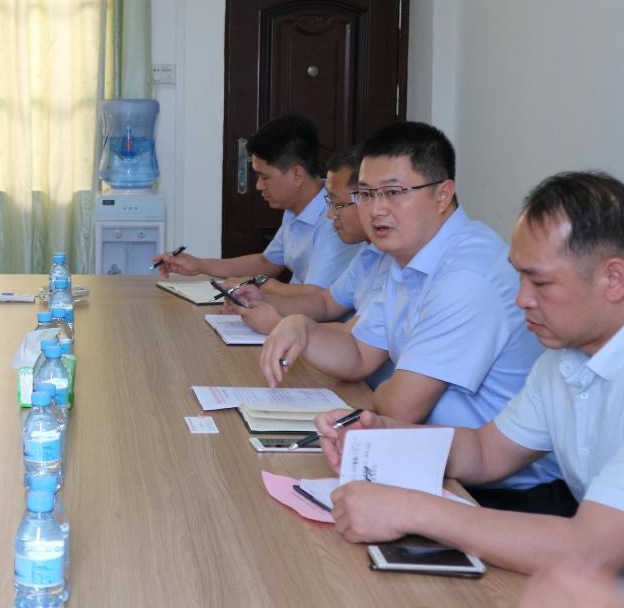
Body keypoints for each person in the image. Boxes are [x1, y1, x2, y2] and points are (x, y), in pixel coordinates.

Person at [314, 172, 624, 598]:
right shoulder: (564, 358)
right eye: (519, 277)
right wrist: (385, 437)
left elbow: (590, 551)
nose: (522, 298)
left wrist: (413, 510)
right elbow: (488, 451)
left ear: (613, 280)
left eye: (540, 282)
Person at [261, 122, 566, 512]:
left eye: (393, 192)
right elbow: (358, 353)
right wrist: (302, 328)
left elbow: (400, 408)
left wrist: (378, 396)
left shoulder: (466, 275)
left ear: (443, 194)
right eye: (366, 194)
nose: (376, 209)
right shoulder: (407, 258)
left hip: (502, 495)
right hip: (435, 462)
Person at [227, 145, 394, 388]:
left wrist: (278, 324)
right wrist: (264, 298)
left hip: (366, 388)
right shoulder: (370, 253)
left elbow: (355, 344)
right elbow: (325, 302)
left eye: (337, 204)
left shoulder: (398, 262)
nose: (330, 215)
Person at [152, 114, 359, 287]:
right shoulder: (295, 209)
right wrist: (199, 265)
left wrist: (253, 288)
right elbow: (267, 263)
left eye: (265, 177)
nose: (258, 186)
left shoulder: (337, 218)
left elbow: (316, 299)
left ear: (297, 175)